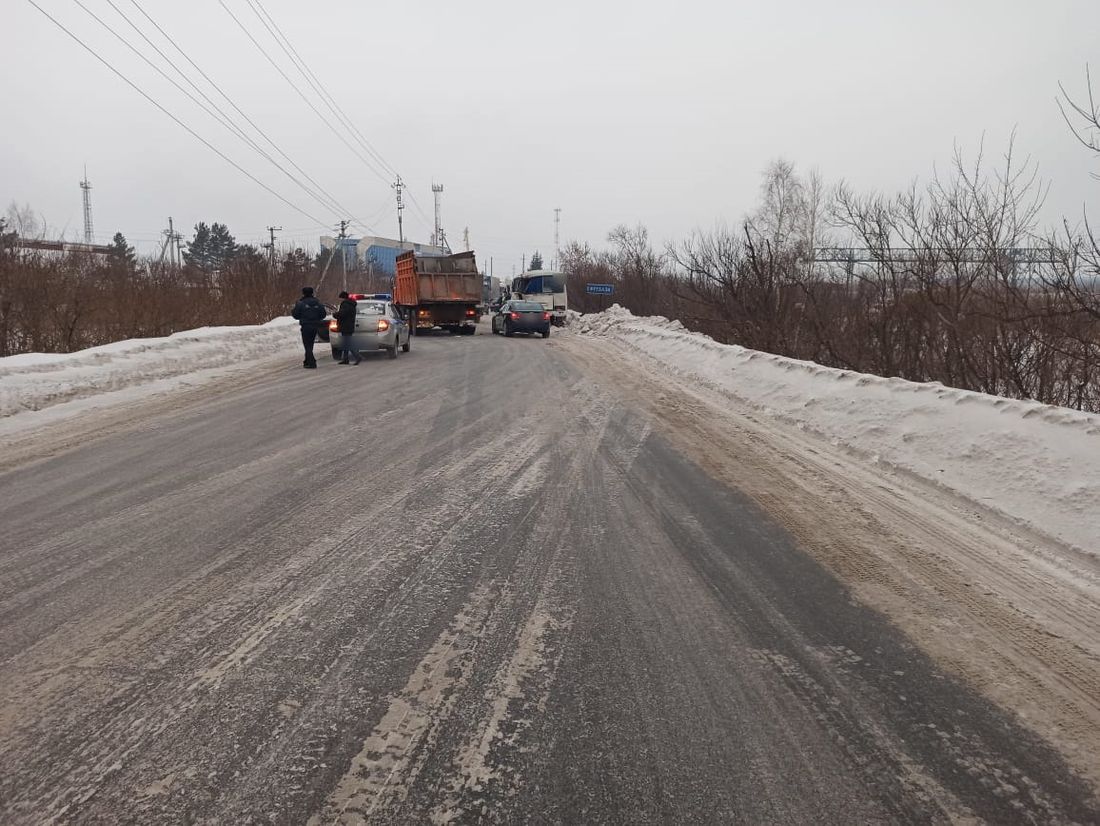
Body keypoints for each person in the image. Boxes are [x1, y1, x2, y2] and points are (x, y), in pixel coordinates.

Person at [291, 286, 326, 368]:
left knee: (307, 344)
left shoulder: (300, 303)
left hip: (306, 325)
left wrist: (300, 315)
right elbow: (323, 314)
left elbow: (295, 315)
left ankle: (312, 362)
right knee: (310, 344)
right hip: (315, 326)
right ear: (312, 293)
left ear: (303, 293)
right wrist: (316, 318)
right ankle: (307, 361)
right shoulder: (318, 303)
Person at [335, 291, 361, 365]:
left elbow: (342, 314)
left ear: (343, 297)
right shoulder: (351, 304)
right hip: (349, 325)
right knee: (345, 343)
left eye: (340, 298)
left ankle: (357, 357)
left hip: (345, 326)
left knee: (347, 343)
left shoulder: (346, 304)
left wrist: (335, 314)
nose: (340, 300)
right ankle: (345, 359)